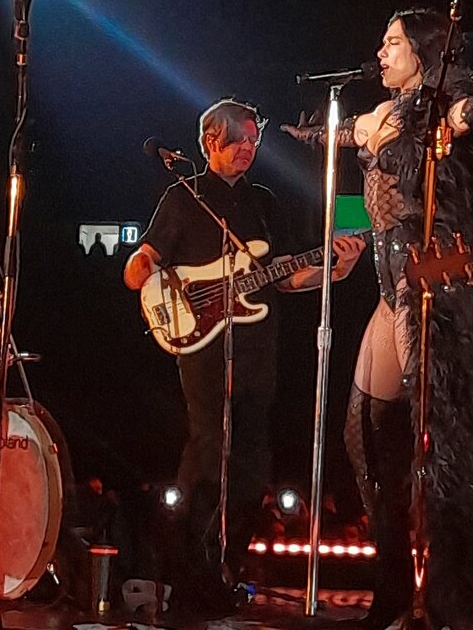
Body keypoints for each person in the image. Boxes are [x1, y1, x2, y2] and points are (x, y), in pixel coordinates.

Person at [283, 9, 473, 630]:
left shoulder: (444, 110)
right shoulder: (376, 116)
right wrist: (301, 132)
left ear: (423, 51)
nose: (381, 51)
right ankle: (392, 585)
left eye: (393, 42)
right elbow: (334, 135)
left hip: (428, 288)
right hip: (387, 288)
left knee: (440, 441)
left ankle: (450, 591)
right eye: (382, 42)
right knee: (362, 437)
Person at [124, 97, 364, 616]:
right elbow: (144, 261)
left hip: (258, 347)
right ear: (212, 140)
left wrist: (335, 270)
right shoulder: (183, 197)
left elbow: (286, 276)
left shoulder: (264, 202)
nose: (248, 149)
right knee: (209, 451)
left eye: (254, 140)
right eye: (239, 139)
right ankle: (189, 576)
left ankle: (227, 569)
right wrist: (140, 267)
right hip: (204, 346)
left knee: (252, 462)